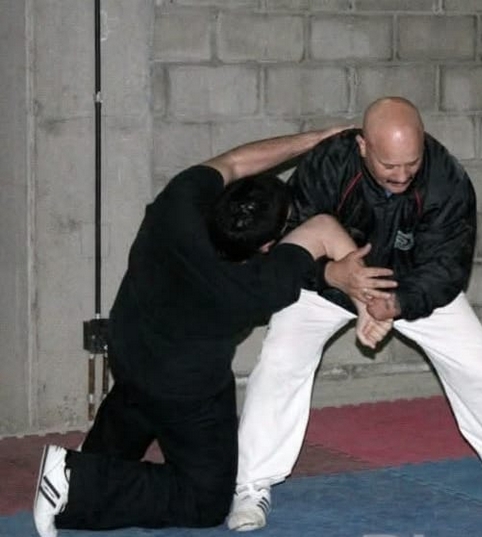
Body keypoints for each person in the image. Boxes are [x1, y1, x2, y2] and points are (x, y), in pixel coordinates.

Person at [227, 96, 482, 531]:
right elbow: (293, 237)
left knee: (479, 368)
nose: (401, 174)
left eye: (411, 163)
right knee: (280, 361)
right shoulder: (329, 165)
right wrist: (332, 275)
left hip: (410, 286)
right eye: (389, 165)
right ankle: (252, 484)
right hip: (329, 281)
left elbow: (448, 268)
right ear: (363, 147)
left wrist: (395, 303)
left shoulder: (446, 179)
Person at [32, 129, 393, 537]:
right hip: (184, 392)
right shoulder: (253, 288)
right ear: (267, 246)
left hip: (129, 350)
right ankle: (74, 480)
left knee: (133, 403)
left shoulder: (178, 203)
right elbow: (325, 228)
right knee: (205, 500)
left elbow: (236, 161)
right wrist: (365, 303)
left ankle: (85, 469)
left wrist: (315, 139)